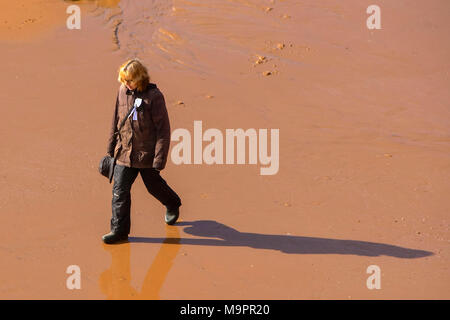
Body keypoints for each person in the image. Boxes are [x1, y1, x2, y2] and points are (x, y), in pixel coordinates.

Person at [102, 58, 182, 244]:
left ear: (140, 78)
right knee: (119, 193)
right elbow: (115, 118)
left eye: (129, 80)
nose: (126, 84)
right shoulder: (122, 91)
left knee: (154, 186)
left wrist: (159, 160)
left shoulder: (154, 96)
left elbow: (163, 130)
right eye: (123, 80)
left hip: (147, 155)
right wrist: (110, 148)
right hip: (124, 152)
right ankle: (119, 232)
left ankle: (172, 203)